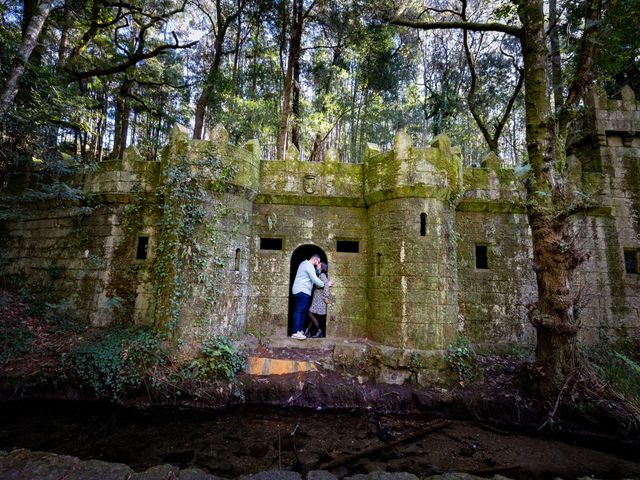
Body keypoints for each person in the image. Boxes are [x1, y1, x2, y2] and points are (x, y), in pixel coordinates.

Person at [291, 254, 331, 340]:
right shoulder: (308, 266)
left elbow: (318, 276)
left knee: (304, 312)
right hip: (302, 291)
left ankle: (300, 330)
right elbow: (316, 280)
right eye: (318, 262)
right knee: (299, 311)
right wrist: (326, 284)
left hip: (305, 292)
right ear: (316, 260)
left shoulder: (305, 264)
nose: (318, 264)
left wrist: (325, 287)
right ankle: (295, 332)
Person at [304, 262, 330, 338]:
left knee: (310, 314)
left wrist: (325, 296)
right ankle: (307, 331)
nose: (317, 265)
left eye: (319, 265)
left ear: (322, 267)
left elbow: (326, 286)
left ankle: (319, 331)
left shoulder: (322, 275)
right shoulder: (320, 275)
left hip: (319, 299)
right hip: (317, 299)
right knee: (313, 314)